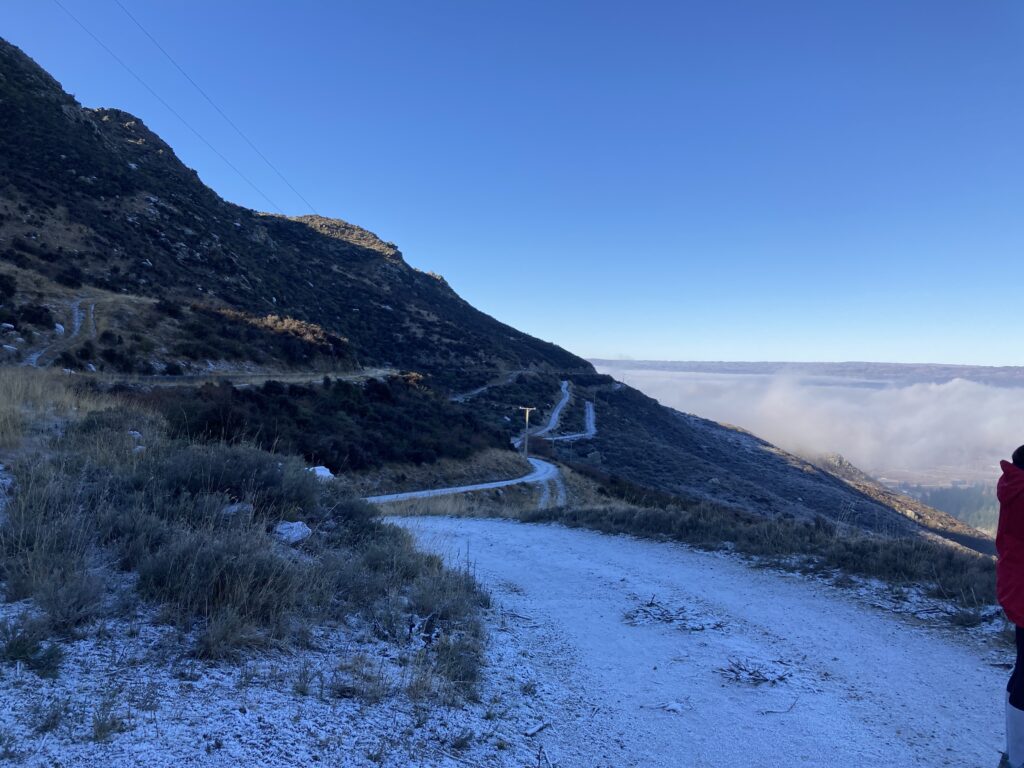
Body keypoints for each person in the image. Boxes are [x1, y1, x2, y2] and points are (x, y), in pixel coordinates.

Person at [998, 446, 1024, 767]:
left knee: (1023, 668)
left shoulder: (1016, 486)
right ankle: (1018, 759)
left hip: (1017, 586)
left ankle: (1013, 753)